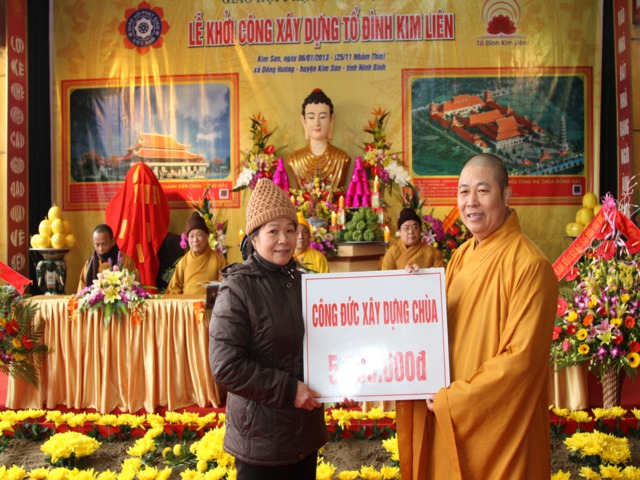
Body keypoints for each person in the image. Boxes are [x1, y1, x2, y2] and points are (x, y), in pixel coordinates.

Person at [402, 154, 558, 479]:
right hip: (450, 419)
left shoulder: (531, 266)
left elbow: (522, 363)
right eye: (463, 192)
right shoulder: (461, 256)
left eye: (483, 191)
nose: (471, 201)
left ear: (506, 195)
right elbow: (438, 327)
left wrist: (456, 400)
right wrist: (416, 292)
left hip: (499, 430)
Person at [210, 178, 352, 480]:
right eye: (273, 231)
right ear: (254, 238)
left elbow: (331, 340)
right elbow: (226, 367)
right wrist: (289, 390)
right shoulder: (238, 288)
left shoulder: (305, 283)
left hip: (304, 435)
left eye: (290, 230)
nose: (284, 240)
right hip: (260, 440)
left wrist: (344, 382)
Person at [377, 207, 443, 420]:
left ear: (421, 230)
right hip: (400, 318)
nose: (411, 232)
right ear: (399, 232)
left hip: (425, 319)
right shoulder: (392, 254)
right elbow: (384, 285)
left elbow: (441, 285)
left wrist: (421, 277)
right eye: (406, 228)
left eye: (415, 227)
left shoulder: (432, 253)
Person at [286, 88, 351, 189]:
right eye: (311, 117)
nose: (317, 123)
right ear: (304, 121)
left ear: (331, 120)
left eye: (322, 117)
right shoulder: (295, 160)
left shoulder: (341, 159)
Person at [165, 212, 227, 295]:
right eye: (191, 236)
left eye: (199, 235)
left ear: (207, 236)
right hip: (187, 303)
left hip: (211, 303)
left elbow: (225, 288)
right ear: (188, 239)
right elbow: (173, 291)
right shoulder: (183, 262)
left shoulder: (219, 260)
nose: (195, 240)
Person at [77, 224, 139, 292]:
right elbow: (81, 292)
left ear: (113, 241)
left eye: (104, 244)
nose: (100, 249)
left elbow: (133, 290)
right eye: (97, 245)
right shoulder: (88, 265)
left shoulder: (126, 262)